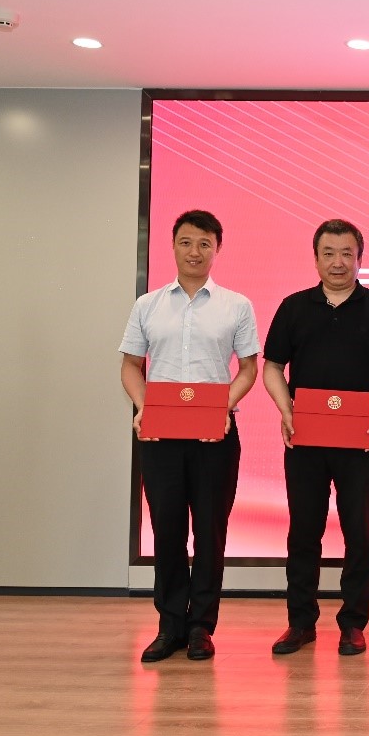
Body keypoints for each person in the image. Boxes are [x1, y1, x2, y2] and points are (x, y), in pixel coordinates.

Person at [263, 219, 369, 657]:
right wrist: (286, 410)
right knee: (303, 532)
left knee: (358, 533)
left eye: (347, 253)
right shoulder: (293, 307)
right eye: (328, 253)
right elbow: (272, 366)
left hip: (360, 439)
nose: (338, 262)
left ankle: (353, 624)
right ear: (315, 258)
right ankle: (300, 623)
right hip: (305, 439)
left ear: (359, 259)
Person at [119, 209, 259, 662]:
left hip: (215, 437)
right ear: (173, 246)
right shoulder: (148, 305)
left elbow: (249, 368)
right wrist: (143, 407)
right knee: (167, 531)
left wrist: (223, 406)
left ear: (217, 249)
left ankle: (201, 626)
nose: (194, 251)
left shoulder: (236, 305)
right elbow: (130, 366)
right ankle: (170, 625)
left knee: (210, 532)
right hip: (160, 437)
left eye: (204, 243)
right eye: (186, 242)